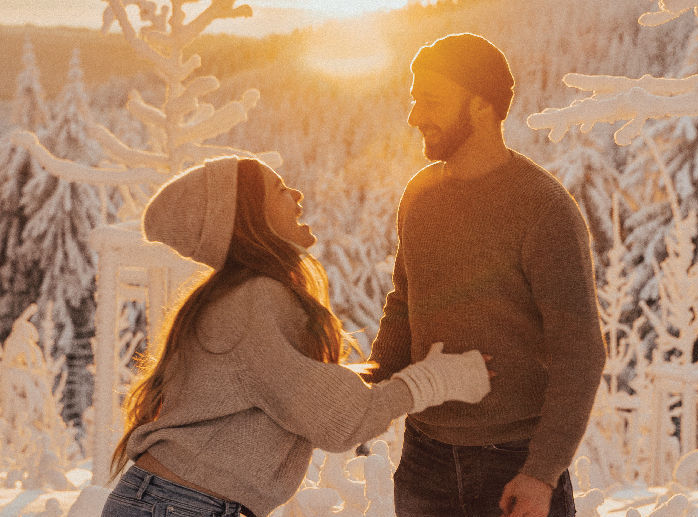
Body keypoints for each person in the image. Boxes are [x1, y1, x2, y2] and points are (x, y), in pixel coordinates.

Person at [100, 156, 492, 517]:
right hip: (181, 506)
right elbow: (340, 420)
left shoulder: (237, 296)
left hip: (172, 501)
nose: (296, 195)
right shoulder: (254, 300)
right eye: (279, 189)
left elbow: (292, 389)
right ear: (248, 216)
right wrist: (435, 380)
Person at [364, 33, 607, 517]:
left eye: (430, 100)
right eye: (414, 99)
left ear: (480, 106)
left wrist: (541, 474)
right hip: (424, 460)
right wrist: (370, 388)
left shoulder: (544, 208)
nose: (415, 116)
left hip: (513, 464)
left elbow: (580, 351)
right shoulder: (420, 194)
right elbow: (405, 303)